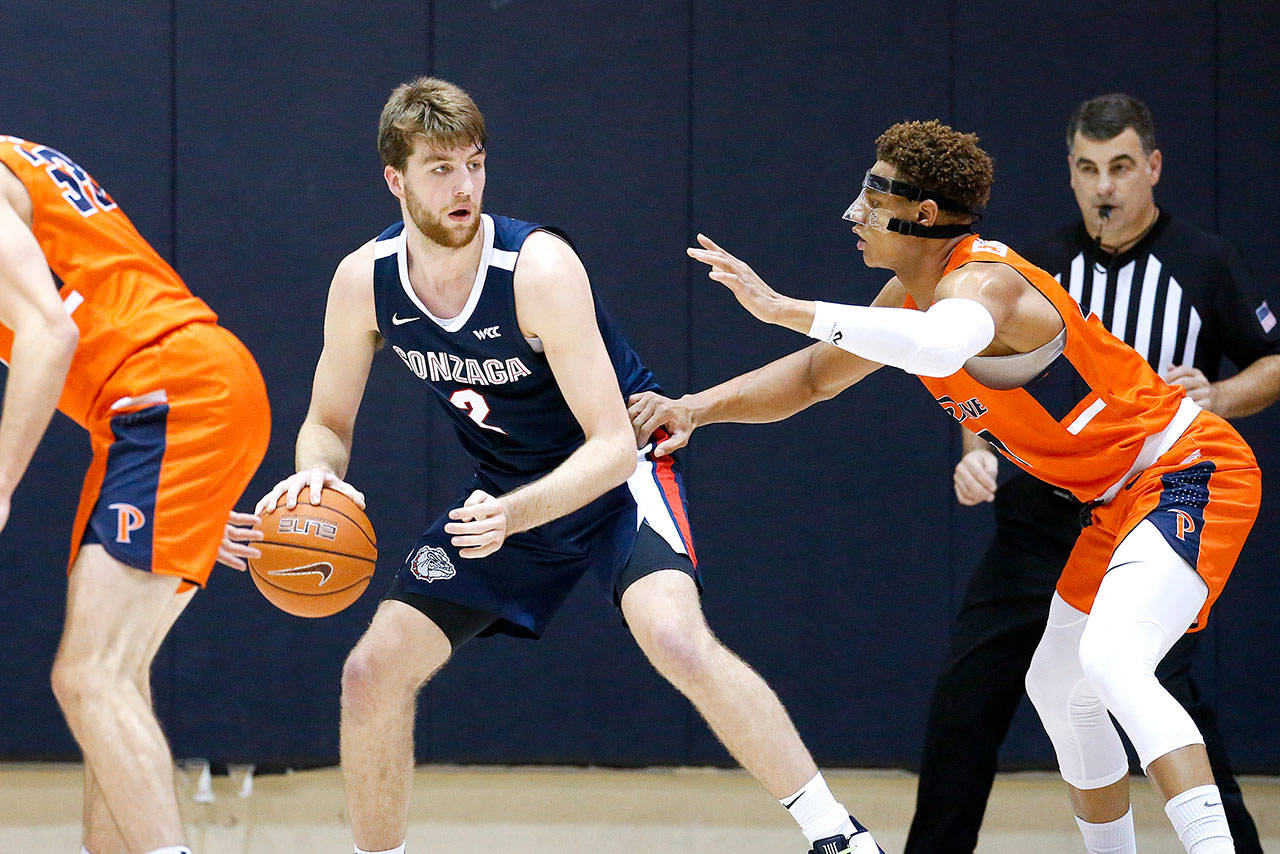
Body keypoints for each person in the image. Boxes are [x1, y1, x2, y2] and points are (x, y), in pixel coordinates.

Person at [250, 77, 882, 854]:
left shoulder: (537, 269)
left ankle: (839, 838)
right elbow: (325, 422)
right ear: (396, 179)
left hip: (617, 480)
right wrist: (316, 472)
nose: (465, 186)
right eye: (441, 169)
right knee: (370, 674)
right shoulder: (365, 281)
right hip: (505, 499)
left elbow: (613, 444)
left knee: (677, 640)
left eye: (475, 164)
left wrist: (512, 513)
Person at [628, 119, 1258, 854]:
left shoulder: (983, 281)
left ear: (923, 215)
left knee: (1113, 660)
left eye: (873, 192)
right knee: (1058, 683)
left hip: (1186, 467)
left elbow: (940, 343)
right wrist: (696, 408)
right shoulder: (906, 297)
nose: (856, 212)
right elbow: (809, 379)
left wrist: (785, 309)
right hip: (1112, 501)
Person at [907, 93, 1278, 854]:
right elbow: (977, 383)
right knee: (973, 695)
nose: (1104, 186)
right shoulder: (1029, 267)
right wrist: (975, 453)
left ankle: (1225, 844)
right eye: (1086, 169)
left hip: (1156, 488)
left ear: (1152, 168)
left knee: (1142, 679)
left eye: (1118, 168)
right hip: (1042, 510)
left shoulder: (1204, 261)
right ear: (1070, 176)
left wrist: (1223, 394)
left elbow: (1272, 361)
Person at [0, 136, 269, 854]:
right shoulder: (19, 161)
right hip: (178, 397)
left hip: (168, 393)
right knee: (113, 675)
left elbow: (49, 335)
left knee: (87, 675)